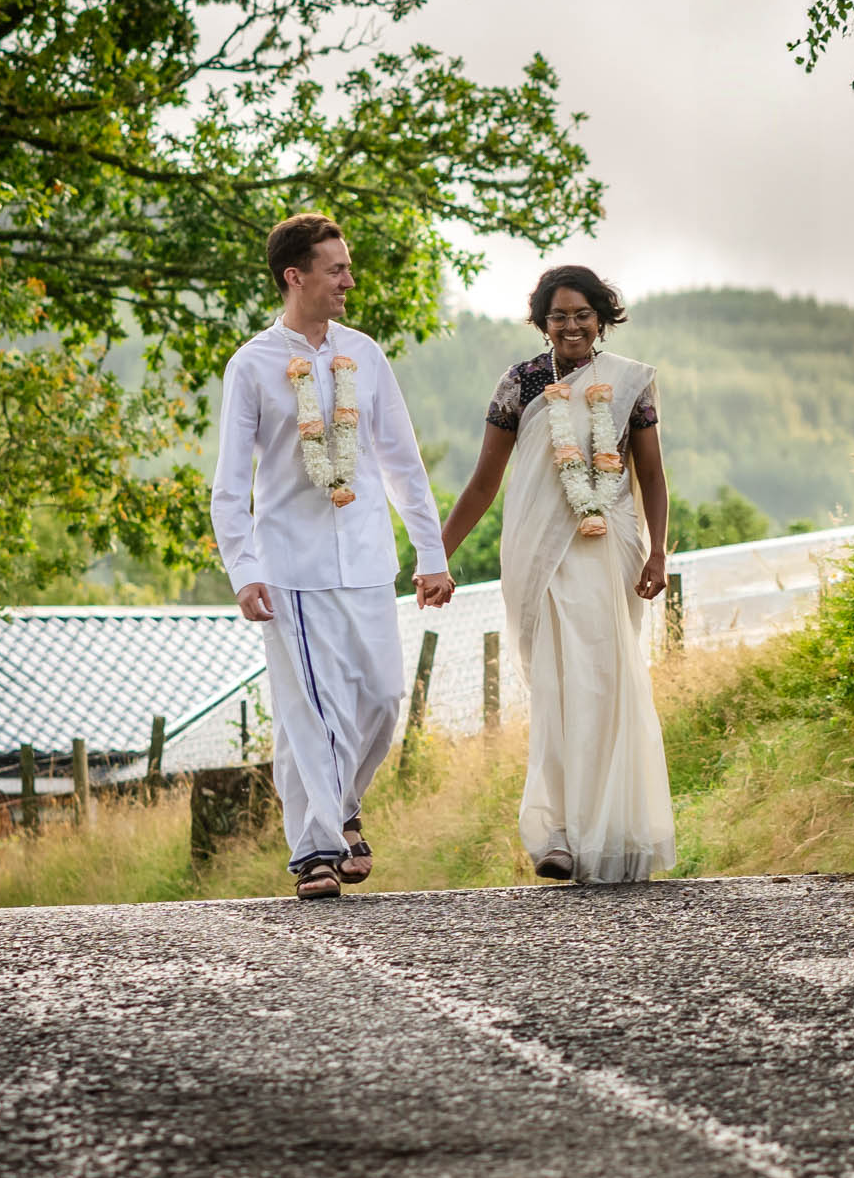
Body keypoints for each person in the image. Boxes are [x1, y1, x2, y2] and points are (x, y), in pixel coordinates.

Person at [211, 213, 454, 899]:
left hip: (369, 559)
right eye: (336, 268)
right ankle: (317, 850)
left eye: (347, 267)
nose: (349, 280)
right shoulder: (253, 364)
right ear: (297, 276)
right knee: (314, 709)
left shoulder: (365, 355)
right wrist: (243, 569)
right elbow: (229, 486)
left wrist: (430, 553)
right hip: (293, 566)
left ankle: (343, 805)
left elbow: (403, 462)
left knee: (380, 698)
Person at [440, 266, 675, 883]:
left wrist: (659, 553)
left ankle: (617, 832)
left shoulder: (630, 384)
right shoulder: (520, 384)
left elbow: (650, 475)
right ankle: (559, 834)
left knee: (605, 682)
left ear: (602, 318)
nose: (570, 326)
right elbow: (486, 480)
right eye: (558, 316)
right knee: (555, 685)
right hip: (538, 552)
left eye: (582, 314)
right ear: (542, 322)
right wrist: (438, 553)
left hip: (610, 551)